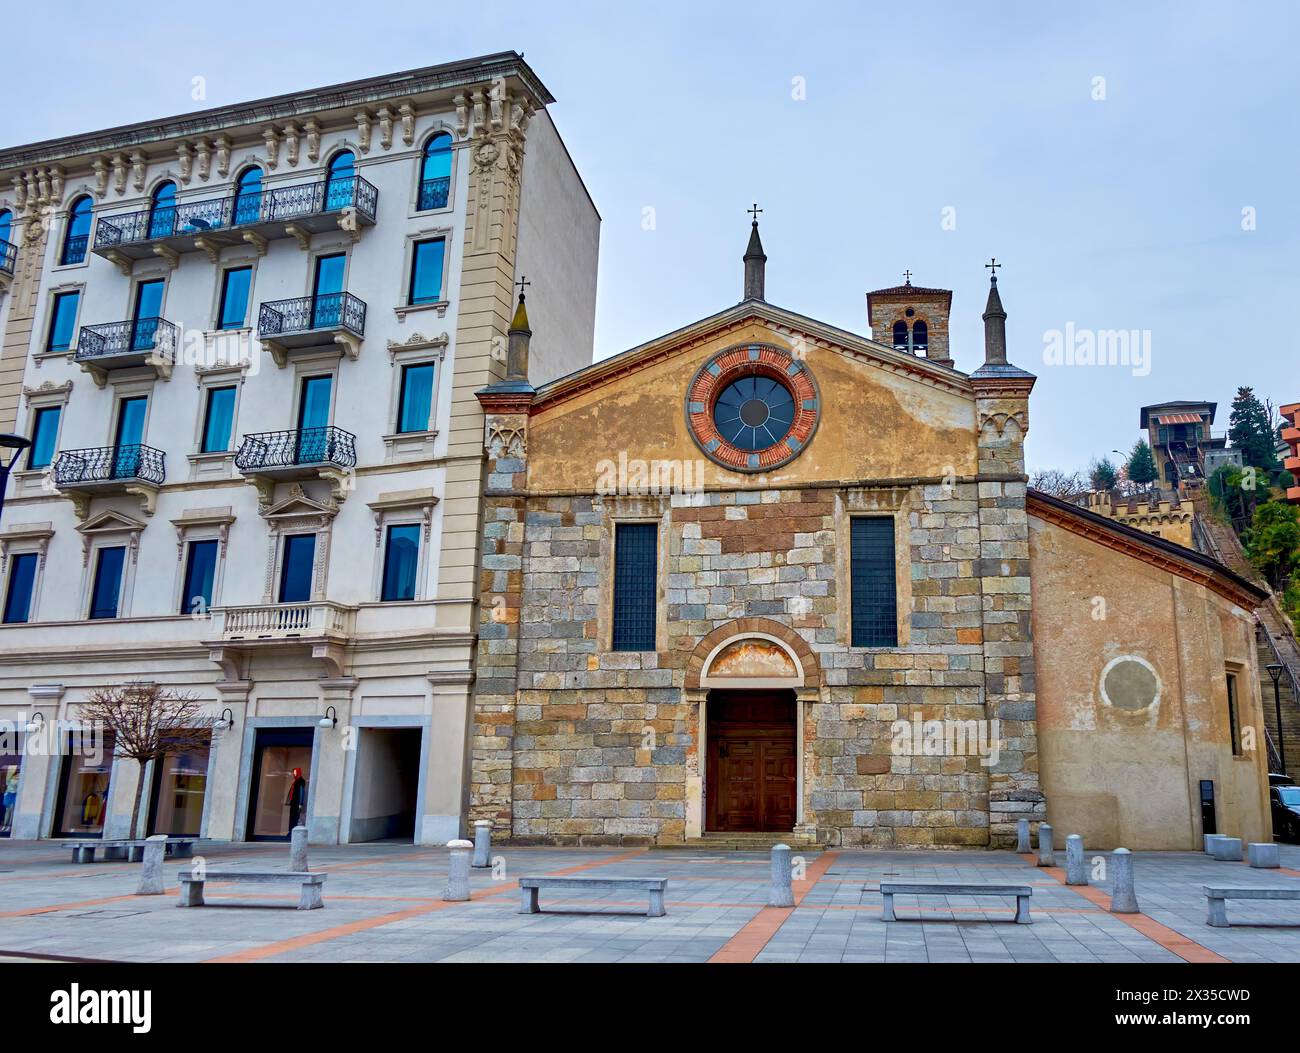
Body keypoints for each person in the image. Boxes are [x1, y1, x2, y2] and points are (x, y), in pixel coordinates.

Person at [285, 767, 307, 832]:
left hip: (297, 803)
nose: (294, 774)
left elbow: (301, 792)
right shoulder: (295, 781)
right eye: (293, 772)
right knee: (292, 817)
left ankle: (293, 831)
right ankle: (290, 831)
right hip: (294, 803)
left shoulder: (301, 781)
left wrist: (300, 803)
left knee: (295, 818)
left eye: (295, 772)